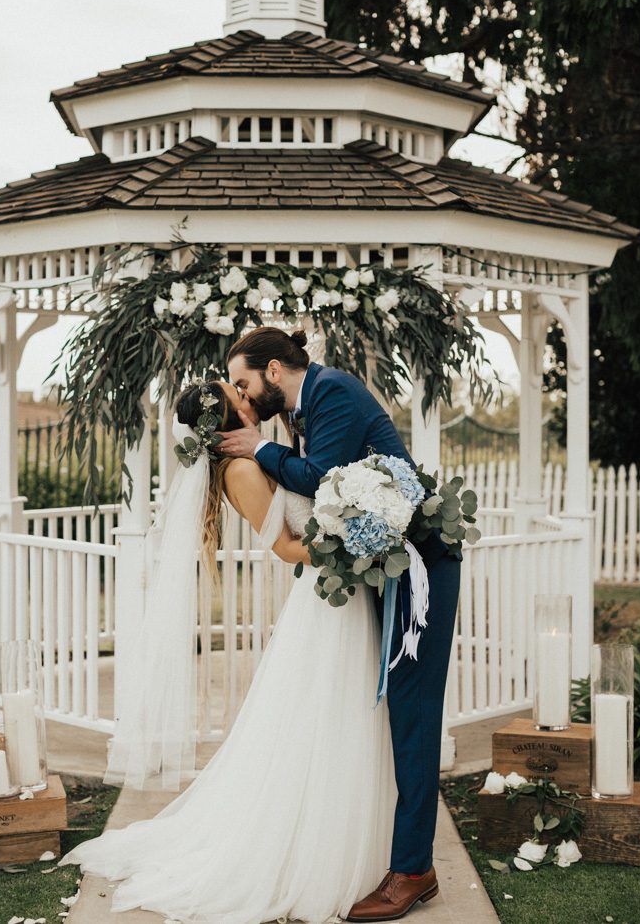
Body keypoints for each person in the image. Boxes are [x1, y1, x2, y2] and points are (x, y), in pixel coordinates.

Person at [60, 377, 397, 924]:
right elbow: (288, 546)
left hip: (341, 594)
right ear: (224, 418)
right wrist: (355, 533)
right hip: (329, 593)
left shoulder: (264, 452)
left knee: (341, 716)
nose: (249, 395)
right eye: (237, 392)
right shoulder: (241, 471)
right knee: (330, 717)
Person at [219, 327, 460, 922]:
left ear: (275, 370)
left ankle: (413, 871)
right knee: (398, 710)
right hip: (389, 566)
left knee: (413, 711)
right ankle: (407, 858)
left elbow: (322, 476)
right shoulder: (306, 405)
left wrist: (258, 448)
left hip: (419, 568)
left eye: (247, 383)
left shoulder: (332, 394)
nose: (246, 399)